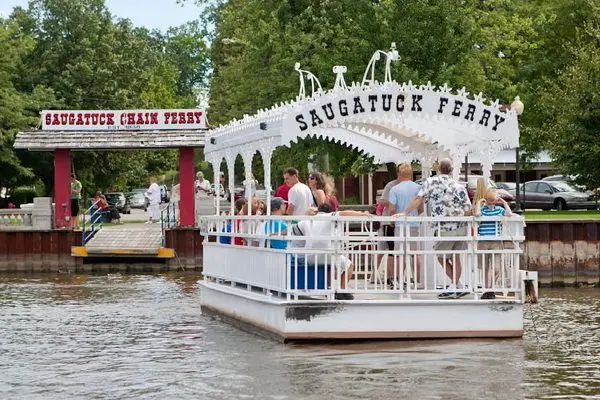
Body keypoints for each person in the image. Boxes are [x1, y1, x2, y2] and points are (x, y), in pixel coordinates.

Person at [394, 158, 472, 299]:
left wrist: (405, 212)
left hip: (444, 227)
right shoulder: (459, 186)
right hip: (460, 226)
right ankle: (458, 285)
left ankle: (454, 286)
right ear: (451, 169)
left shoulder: (431, 182)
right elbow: (468, 209)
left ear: (438, 169)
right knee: (456, 257)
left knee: (441, 257)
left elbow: (419, 199)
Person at [289, 203, 371, 299]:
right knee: (348, 264)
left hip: (309, 256)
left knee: (328, 266)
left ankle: (329, 289)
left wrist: (275, 234)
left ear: (317, 211)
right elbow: (345, 213)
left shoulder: (306, 221)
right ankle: (342, 290)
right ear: (331, 211)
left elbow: (291, 230)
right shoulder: (330, 216)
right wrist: (362, 214)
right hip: (326, 255)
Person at [388, 163, 423, 287]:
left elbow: (391, 208)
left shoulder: (394, 189)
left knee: (399, 254)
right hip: (414, 223)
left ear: (399, 174)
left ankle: (398, 280)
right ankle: (418, 281)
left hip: (400, 224)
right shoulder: (418, 188)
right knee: (415, 252)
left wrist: (393, 219)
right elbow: (421, 208)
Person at [474, 188, 513, 300]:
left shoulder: (499, 210)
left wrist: (504, 202)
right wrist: (478, 203)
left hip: (496, 241)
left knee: (497, 268)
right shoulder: (483, 209)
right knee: (485, 267)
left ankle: (491, 287)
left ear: (497, 201)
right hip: (483, 241)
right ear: (485, 200)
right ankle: (488, 289)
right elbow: (477, 214)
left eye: (493, 201)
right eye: (489, 201)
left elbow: (509, 214)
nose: (491, 203)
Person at [374, 170, 400, 284]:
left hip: (393, 222)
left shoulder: (393, 186)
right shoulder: (391, 185)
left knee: (393, 251)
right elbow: (380, 207)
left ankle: (392, 277)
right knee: (385, 250)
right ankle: (376, 275)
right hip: (387, 223)